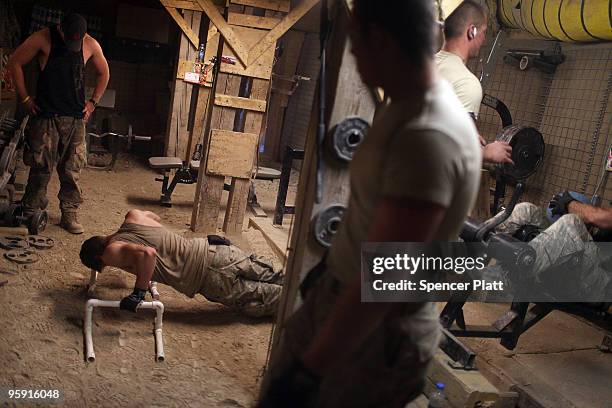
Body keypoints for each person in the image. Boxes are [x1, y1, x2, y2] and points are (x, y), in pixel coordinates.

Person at [259, 0, 481, 406]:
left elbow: (387, 276)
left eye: (356, 39)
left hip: (374, 336)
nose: (354, 52)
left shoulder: (428, 135)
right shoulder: (405, 105)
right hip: (346, 302)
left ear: (379, 38)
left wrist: (311, 370)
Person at [8, 13, 110, 234]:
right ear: (60, 29)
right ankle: (30, 209)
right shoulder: (42, 38)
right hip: (46, 116)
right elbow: (15, 62)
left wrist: (92, 103)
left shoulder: (90, 43)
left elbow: (104, 72)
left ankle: (69, 213)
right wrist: (25, 98)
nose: (75, 44)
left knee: (72, 170)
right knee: (40, 167)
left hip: (75, 118)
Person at [79, 209, 283, 318]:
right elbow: (154, 217)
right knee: (280, 276)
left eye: (104, 264)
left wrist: (138, 293)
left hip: (207, 277)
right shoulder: (133, 216)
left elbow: (148, 254)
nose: (109, 264)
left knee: (276, 299)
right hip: (218, 250)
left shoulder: (111, 251)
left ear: (99, 257)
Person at [435, 0, 513, 165]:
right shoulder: (467, 83)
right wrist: (487, 152)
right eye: (484, 32)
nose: (484, 39)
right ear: (472, 31)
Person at [496, 192, 612, 299]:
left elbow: (597, 216)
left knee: (571, 222)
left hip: (601, 281)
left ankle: (507, 279)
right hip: (582, 264)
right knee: (527, 210)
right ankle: (484, 246)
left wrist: (570, 204)